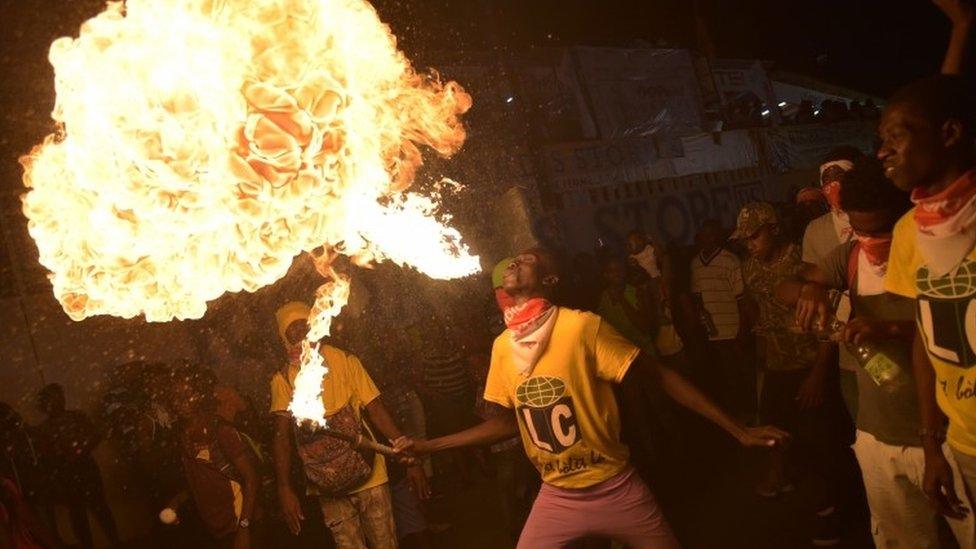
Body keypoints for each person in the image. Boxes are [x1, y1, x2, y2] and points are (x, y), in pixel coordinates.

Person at [397, 248, 787, 548]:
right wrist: (428, 446)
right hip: (557, 496)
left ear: (549, 279)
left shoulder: (581, 326)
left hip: (616, 488)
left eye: (529, 259)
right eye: (516, 259)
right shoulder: (503, 346)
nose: (518, 260)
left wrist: (738, 430)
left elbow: (661, 377)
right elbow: (502, 424)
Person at [777, 157, 976, 547]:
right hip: (878, 434)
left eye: (882, 231)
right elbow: (783, 286)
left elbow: (946, 334)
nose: (872, 243)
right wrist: (809, 289)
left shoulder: (938, 252)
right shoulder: (850, 257)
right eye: (861, 231)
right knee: (903, 539)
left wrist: (888, 329)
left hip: (948, 432)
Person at [879, 74, 976, 523]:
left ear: (950, 134)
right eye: (882, 140)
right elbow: (925, 336)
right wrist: (933, 445)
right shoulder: (907, 233)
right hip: (967, 446)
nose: (883, 152)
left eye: (896, 136)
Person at [733, 202, 850, 546]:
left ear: (774, 228)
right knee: (779, 436)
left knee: (822, 445)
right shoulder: (751, 267)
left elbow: (830, 321)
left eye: (754, 236)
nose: (749, 244)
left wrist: (817, 376)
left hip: (810, 367)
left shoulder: (805, 264)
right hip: (776, 368)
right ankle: (797, 488)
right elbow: (760, 315)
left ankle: (832, 514)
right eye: (744, 239)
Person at [270, 301, 408, 549]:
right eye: (293, 328)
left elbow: (375, 409)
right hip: (325, 484)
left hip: (370, 474)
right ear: (283, 336)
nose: (301, 332)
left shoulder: (344, 359)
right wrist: (283, 488)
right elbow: (281, 436)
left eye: (304, 324)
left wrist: (406, 450)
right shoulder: (282, 379)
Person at [802, 146, 865, 421]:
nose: (832, 184)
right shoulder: (816, 231)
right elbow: (813, 283)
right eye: (826, 179)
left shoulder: (873, 216)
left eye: (838, 175)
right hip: (846, 351)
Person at [170, 365, 262, 549]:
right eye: (175, 397)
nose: (180, 402)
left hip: (238, 524)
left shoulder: (221, 431)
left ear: (200, 396)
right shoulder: (184, 436)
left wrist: (244, 529)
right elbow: (203, 480)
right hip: (214, 529)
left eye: (186, 395)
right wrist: (177, 501)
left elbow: (251, 479)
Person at [35, 383, 120, 549]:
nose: (59, 400)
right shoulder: (44, 429)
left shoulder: (77, 417)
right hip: (66, 473)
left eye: (60, 396)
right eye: (54, 398)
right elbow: (45, 454)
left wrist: (81, 450)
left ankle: (116, 542)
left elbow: (95, 434)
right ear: (46, 403)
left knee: (99, 507)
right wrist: (63, 457)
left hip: (85, 468)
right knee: (78, 513)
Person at [690, 219, 751, 417]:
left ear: (718, 238)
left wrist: (742, 332)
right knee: (723, 379)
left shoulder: (731, 261)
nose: (708, 239)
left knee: (739, 377)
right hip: (711, 335)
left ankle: (748, 416)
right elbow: (698, 298)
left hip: (733, 332)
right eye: (704, 236)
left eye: (712, 235)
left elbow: (742, 300)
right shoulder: (695, 264)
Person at [597, 256, 657, 357]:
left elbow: (645, 327)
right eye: (612, 271)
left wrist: (621, 299)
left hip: (645, 355)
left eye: (619, 269)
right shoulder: (602, 299)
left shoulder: (637, 292)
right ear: (605, 274)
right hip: (623, 359)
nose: (617, 274)